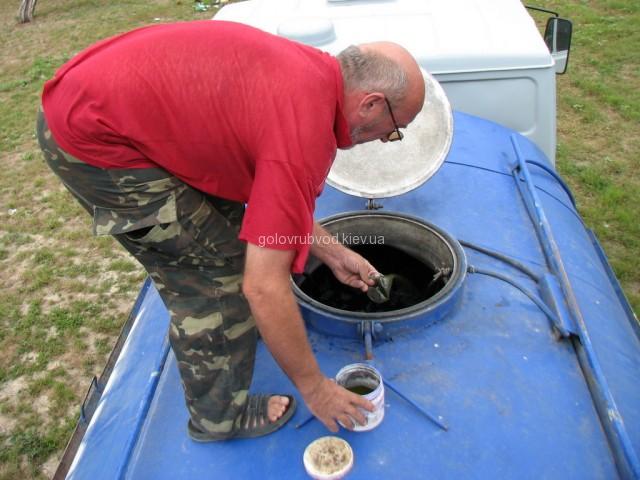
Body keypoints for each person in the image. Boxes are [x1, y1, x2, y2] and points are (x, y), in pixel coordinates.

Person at [37, 20, 425, 441]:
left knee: (233, 235)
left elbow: (278, 201)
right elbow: (262, 286)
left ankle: (234, 340)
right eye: (394, 129)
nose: (386, 138)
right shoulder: (303, 133)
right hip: (96, 139)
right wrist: (316, 388)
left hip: (108, 99)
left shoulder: (314, 75)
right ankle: (219, 417)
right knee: (218, 276)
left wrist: (333, 253)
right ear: (371, 103)